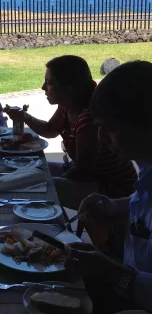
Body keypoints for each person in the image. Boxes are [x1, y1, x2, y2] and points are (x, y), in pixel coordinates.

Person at [65, 61, 152, 313]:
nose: (101, 139)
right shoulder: (147, 165)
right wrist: (115, 207)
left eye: (109, 129)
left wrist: (109, 271)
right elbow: (145, 201)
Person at [4, 55, 137, 209]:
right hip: (93, 177)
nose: (43, 87)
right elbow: (50, 130)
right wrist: (24, 117)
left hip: (114, 189)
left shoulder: (88, 120)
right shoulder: (67, 106)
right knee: (34, 170)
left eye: (49, 82)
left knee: (43, 187)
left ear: (68, 88)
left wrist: (48, 178)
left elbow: (82, 171)